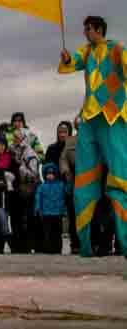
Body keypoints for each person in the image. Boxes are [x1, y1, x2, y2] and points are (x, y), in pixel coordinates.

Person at [59, 15, 127, 257]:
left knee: (120, 178)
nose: (85, 32)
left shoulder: (116, 48)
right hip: (90, 118)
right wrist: (67, 59)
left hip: (112, 115)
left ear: (98, 29)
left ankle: (125, 241)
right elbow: (72, 60)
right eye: (84, 28)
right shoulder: (86, 52)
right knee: (84, 182)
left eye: (88, 28)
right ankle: (85, 244)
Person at [9, 128, 41, 253]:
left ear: (23, 138)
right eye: (14, 137)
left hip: (27, 190)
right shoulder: (11, 150)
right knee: (15, 218)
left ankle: (27, 245)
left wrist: (19, 167)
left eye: (18, 136)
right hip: (14, 189)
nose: (15, 139)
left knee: (27, 218)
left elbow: (33, 174)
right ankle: (17, 245)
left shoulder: (30, 153)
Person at [33, 162, 66, 254]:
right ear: (45, 175)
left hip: (57, 213)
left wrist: (64, 210)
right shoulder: (42, 187)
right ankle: (48, 248)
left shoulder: (61, 185)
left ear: (56, 174)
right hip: (46, 213)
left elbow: (64, 199)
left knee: (58, 233)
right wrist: (38, 209)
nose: (50, 176)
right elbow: (38, 198)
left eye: (52, 174)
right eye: (48, 174)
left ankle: (57, 248)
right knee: (47, 233)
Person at [57, 119, 79, 253]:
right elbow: (63, 158)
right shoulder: (70, 141)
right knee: (73, 213)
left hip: (91, 178)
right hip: (74, 177)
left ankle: (93, 243)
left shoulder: (95, 136)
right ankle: (75, 244)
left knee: (92, 214)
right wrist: (66, 171)